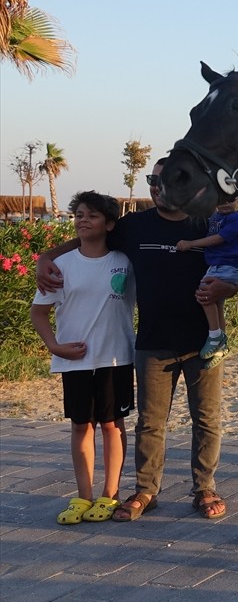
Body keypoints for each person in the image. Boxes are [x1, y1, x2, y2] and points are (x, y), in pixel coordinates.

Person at [36, 159, 238, 522]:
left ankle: (204, 488)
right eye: (152, 180)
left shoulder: (205, 223)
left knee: (206, 418)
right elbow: (88, 236)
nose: (158, 187)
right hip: (152, 342)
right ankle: (147, 489)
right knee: (149, 421)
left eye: (168, 180)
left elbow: (233, 265)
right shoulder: (133, 227)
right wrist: (46, 256)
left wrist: (230, 287)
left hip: (203, 341)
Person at [30, 191, 135, 525]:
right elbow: (38, 313)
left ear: (109, 223)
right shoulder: (60, 265)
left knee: (112, 426)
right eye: (78, 215)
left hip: (116, 357)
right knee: (80, 426)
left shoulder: (125, 260)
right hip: (74, 361)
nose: (83, 220)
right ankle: (83, 496)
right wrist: (54, 346)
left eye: (91, 215)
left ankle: (111, 494)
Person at [175, 194, 238, 367]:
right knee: (217, 303)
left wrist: (191, 243)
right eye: (220, 201)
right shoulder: (216, 216)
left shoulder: (237, 219)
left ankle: (215, 336)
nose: (224, 205)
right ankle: (221, 346)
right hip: (218, 265)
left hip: (228, 265)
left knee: (204, 294)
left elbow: (218, 239)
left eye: (229, 200)